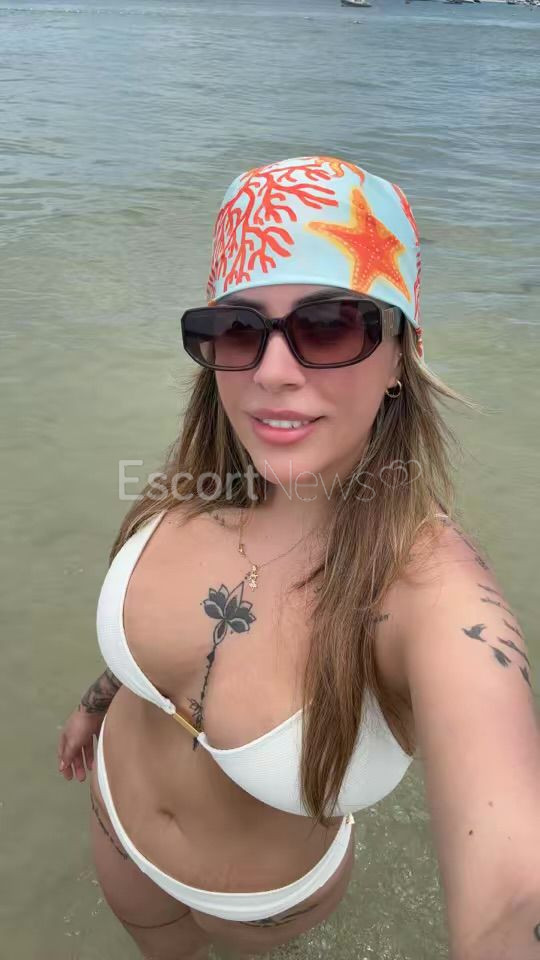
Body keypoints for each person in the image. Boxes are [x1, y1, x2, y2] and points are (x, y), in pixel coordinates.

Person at [57, 156, 540, 960]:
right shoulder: (198, 482)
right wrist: (98, 701)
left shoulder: (430, 593)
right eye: (239, 330)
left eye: (330, 325)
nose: (272, 374)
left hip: (252, 904)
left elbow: (513, 895)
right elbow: (168, 637)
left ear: (401, 353)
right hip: (114, 818)